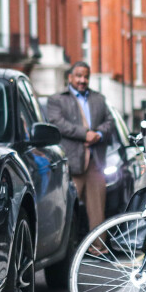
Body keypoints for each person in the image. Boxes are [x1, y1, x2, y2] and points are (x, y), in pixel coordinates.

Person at [46, 61, 114, 241]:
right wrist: (85, 134)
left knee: (97, 209)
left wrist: (98, 134)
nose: (82, 80)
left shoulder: (98, 98)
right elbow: (57, 123)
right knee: (67, 208)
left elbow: (109, 122)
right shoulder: (57, 99)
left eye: (86, 77)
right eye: (78, 76)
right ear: (70, 77)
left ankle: (97, 248)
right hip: (70, 162)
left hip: (95, 162)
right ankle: (68, 248)